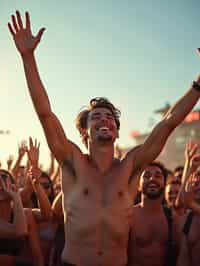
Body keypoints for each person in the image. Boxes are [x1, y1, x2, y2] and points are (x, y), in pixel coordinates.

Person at [8, 10, 200, 266]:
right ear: (85, 131)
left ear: (117, 131)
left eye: (110, 117)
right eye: (96, 117)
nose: (104, 119)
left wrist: (198, 84)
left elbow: (167, 123)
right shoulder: (72, 161)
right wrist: (28, 57)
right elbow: (45, 113)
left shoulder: (131, 166)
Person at [128, 162, 180, 266]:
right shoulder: (129, 215)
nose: (152, 179)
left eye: (158, 176)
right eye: (147, 175)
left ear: (164, 184)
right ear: (138, 185)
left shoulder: (172, 217)